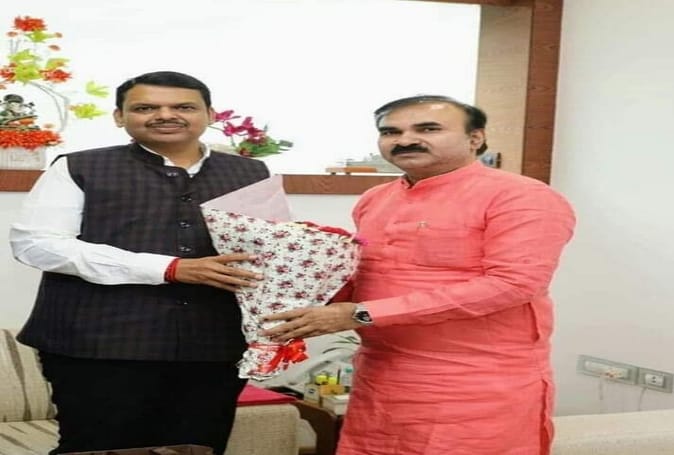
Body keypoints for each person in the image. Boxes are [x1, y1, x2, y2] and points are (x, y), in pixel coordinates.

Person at [262, 95, 576, 454]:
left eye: (428, 129)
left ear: (475, 138)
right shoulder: (376, 198)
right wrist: (294, 282)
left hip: (475, 383)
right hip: (380, 377)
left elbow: (513, 285)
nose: (405, 140)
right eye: (391, 132)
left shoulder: (521, 197)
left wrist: (360, 314)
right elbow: (368, 276)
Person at [9, 71, 269, 454]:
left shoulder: (251, 172)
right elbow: (36, 244)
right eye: (146, 108)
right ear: (119, 117)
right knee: (98, 448)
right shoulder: (78, 167)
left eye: (183, 107)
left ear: (210, 115)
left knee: (196, 447)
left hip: (215, 345)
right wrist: (168, 268)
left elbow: (267, 249)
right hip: (98, 347)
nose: (165, 115)